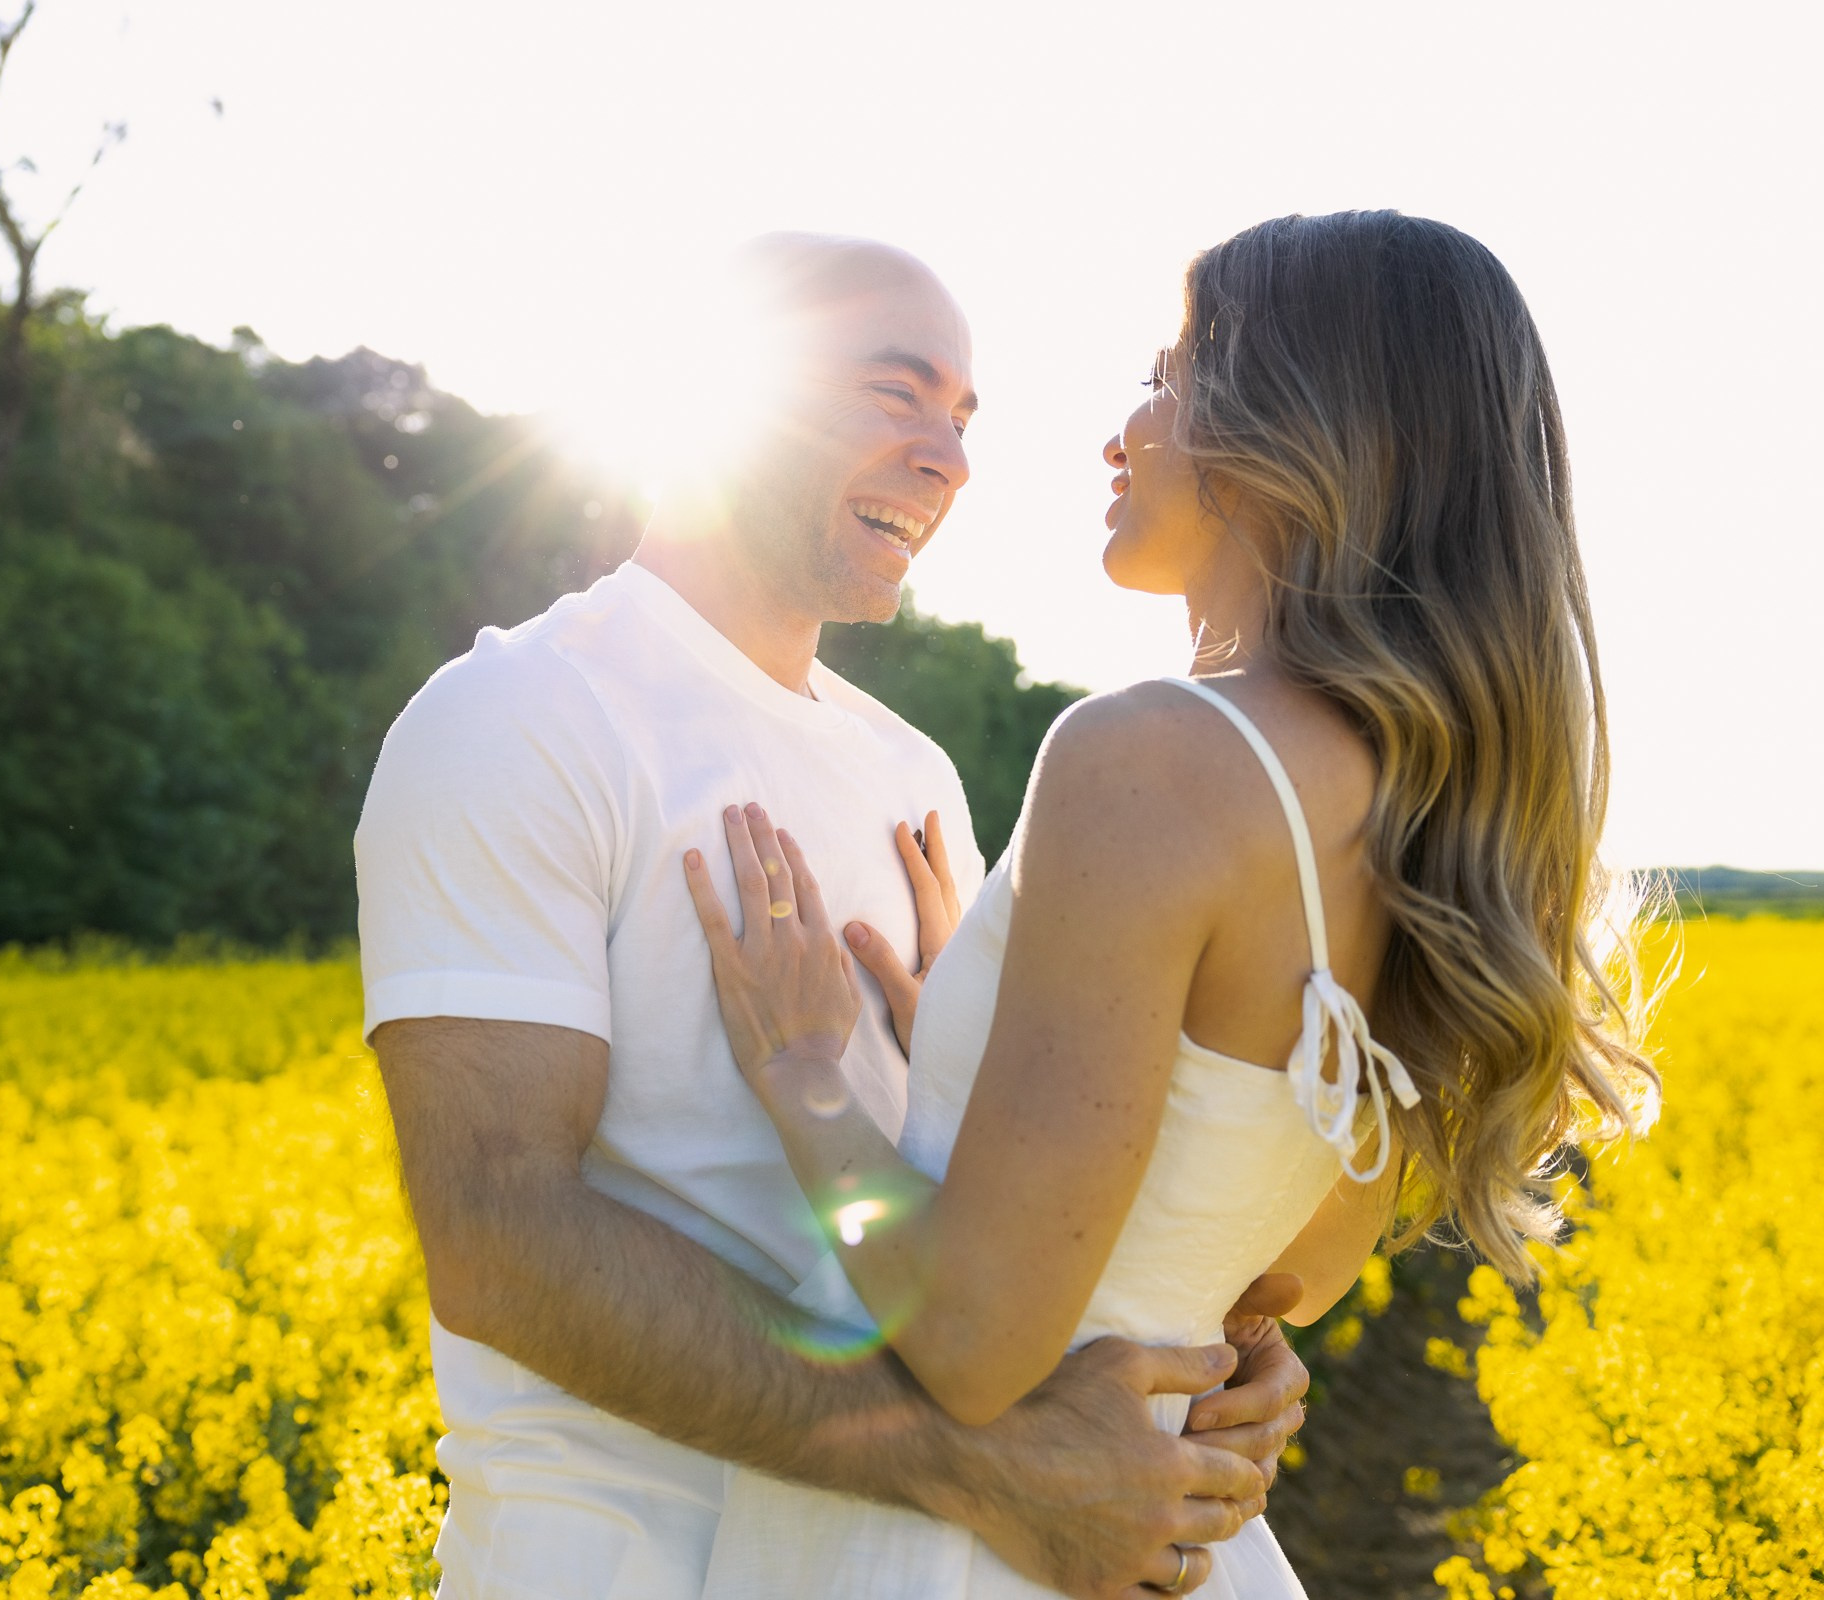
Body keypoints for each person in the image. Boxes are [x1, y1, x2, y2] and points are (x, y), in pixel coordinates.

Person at [680, 211, 1663, 1598]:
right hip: (1186, 1544)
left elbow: (967, 1342)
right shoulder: (1425, 804)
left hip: (974, 1549)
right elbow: (1281, 1290)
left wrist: (805, 1077)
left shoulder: (1150, 756)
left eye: (1166, 374)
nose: (1120, 431)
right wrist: (988, 1031)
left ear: (1290, 431)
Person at [356, 234, 1308, 1600]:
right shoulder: (519, 718)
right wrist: (980, 1470)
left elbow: (983, 1212)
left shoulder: (912, 774)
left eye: (965, 418)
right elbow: (502, 1243)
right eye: (895, 392)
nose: (951, 459)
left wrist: (1209, 1344)